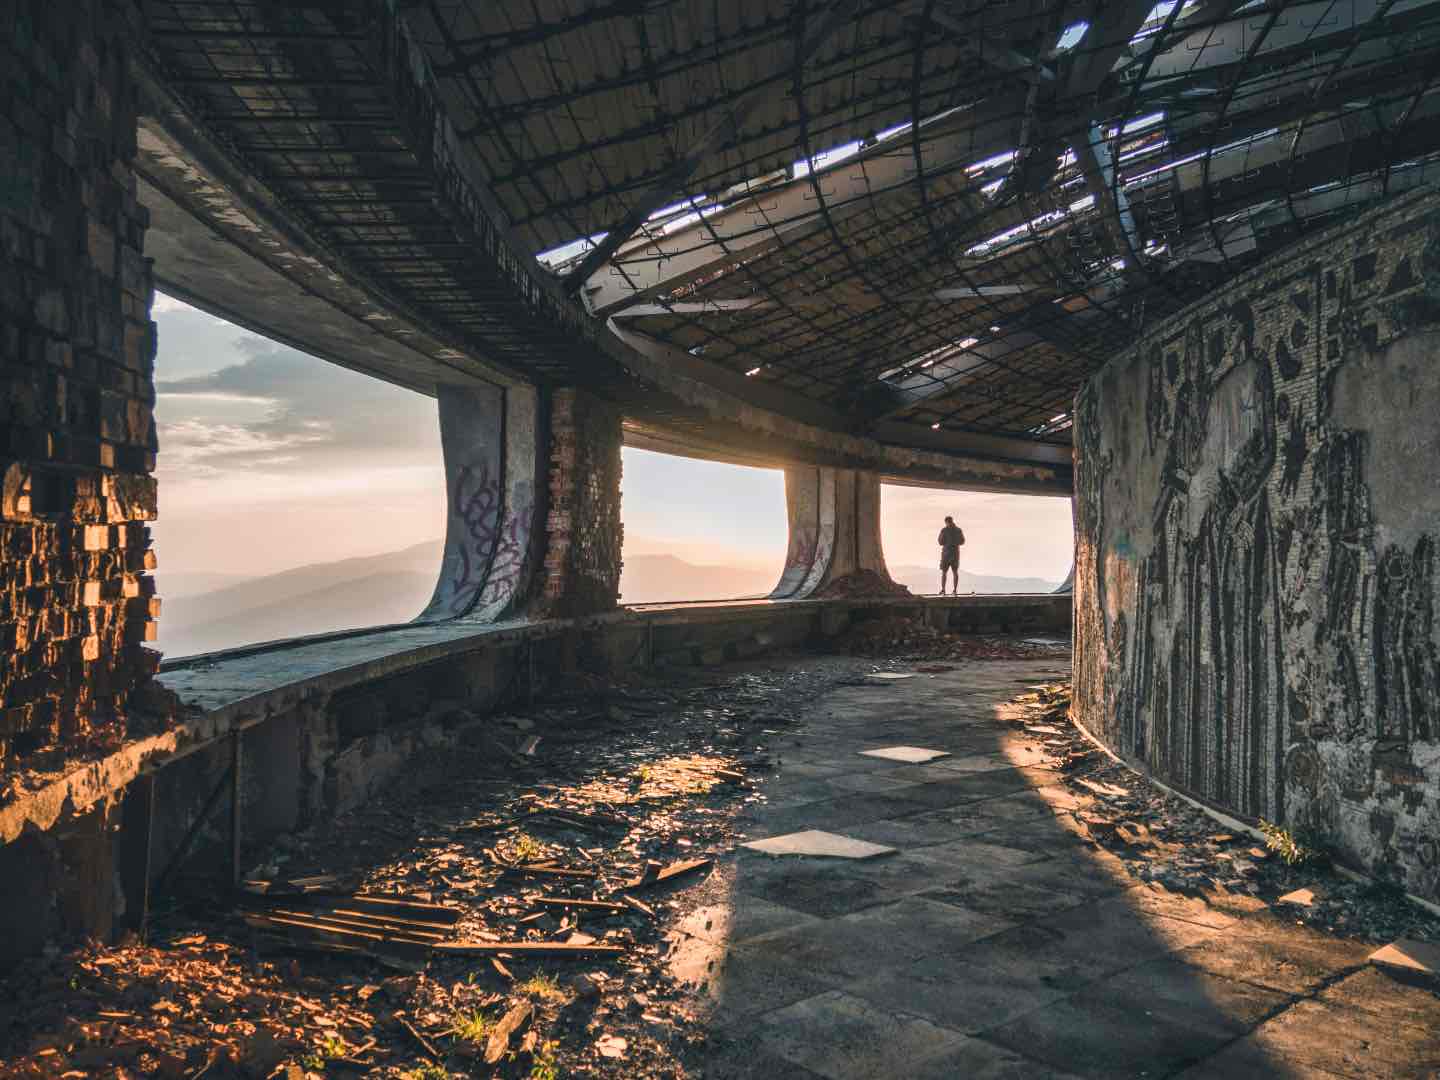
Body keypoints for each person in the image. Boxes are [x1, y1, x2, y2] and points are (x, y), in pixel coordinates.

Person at [938, 515, 965, 595]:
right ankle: (955, 590)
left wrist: (947, 543)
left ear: (946, 522)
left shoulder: (944, 530)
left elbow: (940, 542)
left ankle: (943, 590)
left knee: (944, 572)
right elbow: (962, 541)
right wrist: (956, 542)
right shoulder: (958, 530)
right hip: (955, 554)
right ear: (952, 521)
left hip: (946, 554)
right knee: (955, 572)